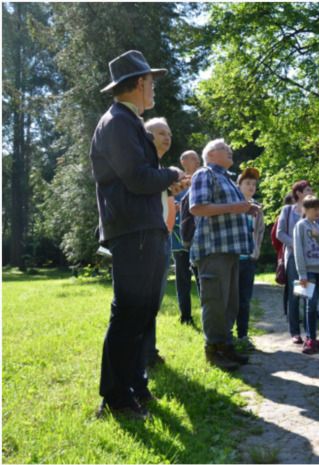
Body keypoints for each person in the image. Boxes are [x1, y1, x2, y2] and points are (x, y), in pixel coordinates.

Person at [90, 50, 185, 419]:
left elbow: (139, 179)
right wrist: (172, 175)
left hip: (142, 228)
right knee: (130, 313)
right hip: (133, 231)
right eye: (151, 83)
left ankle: (135, 387)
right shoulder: (117, 122)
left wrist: (166, 185)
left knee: (141, 314)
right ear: (139, 84)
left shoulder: (125, 121)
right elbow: (137, 178)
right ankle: (115, 398)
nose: (154, 90)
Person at [189, 139, 260, 371]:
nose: (230, 150)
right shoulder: (204, 173)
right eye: (224, 148)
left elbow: (229, 209)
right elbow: (197, 207)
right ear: (210, 154)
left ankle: (226, 347)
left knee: (229, 304)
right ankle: (213, 350)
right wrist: (234, 207)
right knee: (215, 302)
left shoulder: (227, 178)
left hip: (230, 251)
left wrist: (246, 208)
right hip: (213, 250)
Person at [143, 117, 177, 367]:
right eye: (161, 133)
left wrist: (172, 189)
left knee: (153, 299)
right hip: (145, 238)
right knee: (142, 299)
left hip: (162, 236)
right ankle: (142, 354)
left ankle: (148, 351)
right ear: (146, 136)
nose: (167, 137)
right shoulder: (143, 166)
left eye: (169, 134)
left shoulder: (158, 167)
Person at [276, 180, 314, 344]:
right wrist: (296, 244)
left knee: (307, 293)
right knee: (295, 294)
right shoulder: (287, 210)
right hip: (292, 257)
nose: (311, 191)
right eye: (307, 189)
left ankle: (309, 332)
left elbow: (318, 232)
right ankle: (295, 332)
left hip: (309, 258)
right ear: (298, 193)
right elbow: (280, 233)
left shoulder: (312, 211)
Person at [293, 195, 319, 354]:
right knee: (311, 304)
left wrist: (318, 235)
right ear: (305, 210)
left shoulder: (318, 227)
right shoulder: (300, 226)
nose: (317, 212)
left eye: (318, 209)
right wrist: (302, 273)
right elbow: (298, 251)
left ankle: (313, 338)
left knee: (313, 306)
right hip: (308, 271)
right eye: (314, 209)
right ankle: (309, 339)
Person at [236, 167, 264, 351]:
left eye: (254, 184)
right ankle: (226, 337)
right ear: (239, 185)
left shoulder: (257, 208)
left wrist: (256, 252)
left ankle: (243, 335)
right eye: (247, 183)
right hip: (233, 259)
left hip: (249, 259)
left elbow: (260, 232)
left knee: (245, 300)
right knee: (231, 299)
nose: (251, 187)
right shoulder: (232, 204)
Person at [173, 150, 201, 325]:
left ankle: (208, 314)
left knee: (201, 278)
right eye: (194, 158)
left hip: (198, 238)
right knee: (182, 278)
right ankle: (185, 316)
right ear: (184, 161)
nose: (197, 161)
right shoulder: (175, 183)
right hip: (177, 237)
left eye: (198, 159)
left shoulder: (201, 180)